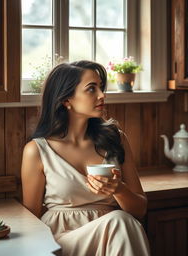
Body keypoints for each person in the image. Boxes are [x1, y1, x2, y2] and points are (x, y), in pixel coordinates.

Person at [21, 60, 150, 256]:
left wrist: (120, 190)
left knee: (121, 221)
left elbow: (140, 210)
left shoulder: (116, 140)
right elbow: (30, 217)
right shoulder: (37, 151)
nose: (102, 95)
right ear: (66, 100)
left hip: (114, 238)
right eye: (91, 89)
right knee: (120, 221)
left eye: (101, 87)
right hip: (63, 242)